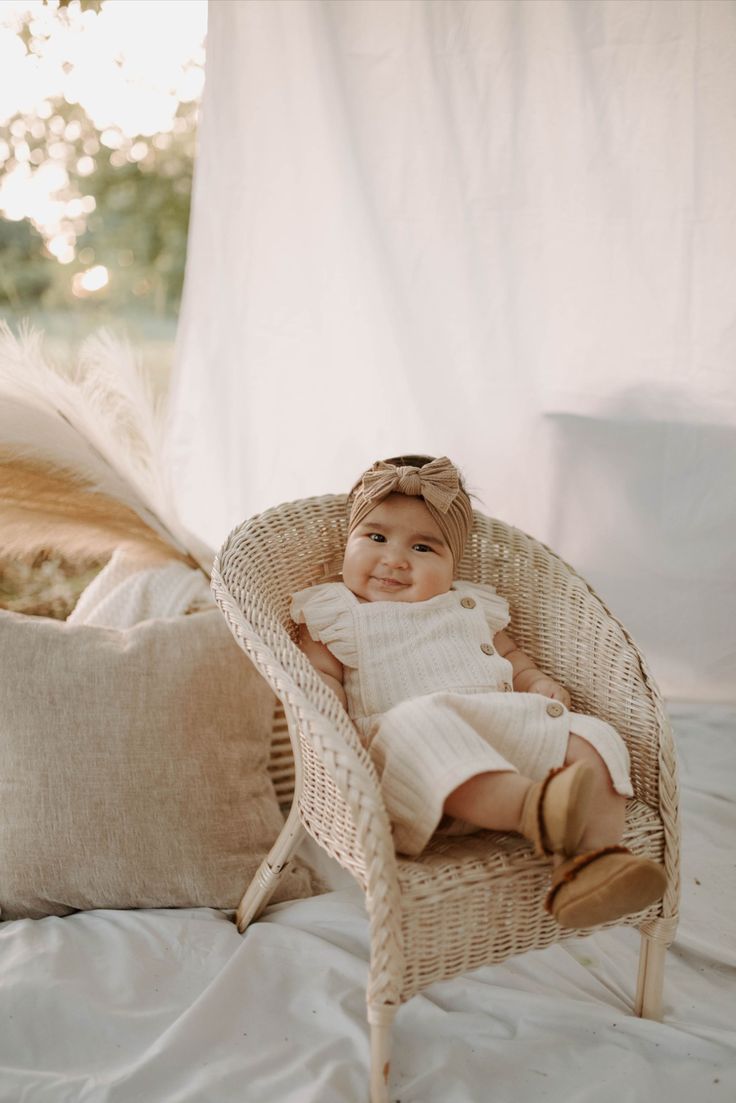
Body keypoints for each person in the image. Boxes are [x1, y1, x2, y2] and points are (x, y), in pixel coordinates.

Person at [290, 454, 666, 928]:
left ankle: (591, 865)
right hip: (420, 758)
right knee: (420, 723)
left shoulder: (470, 605)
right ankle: (534, 810)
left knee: (595, 736)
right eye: (376, 537)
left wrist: (535, 682)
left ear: (453, 564)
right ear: (347, 543)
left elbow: (513, 659)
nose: (395, 559)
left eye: (424, 548)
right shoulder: (336, 611)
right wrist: (332, 725)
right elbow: (319, 680)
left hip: (504, 729)